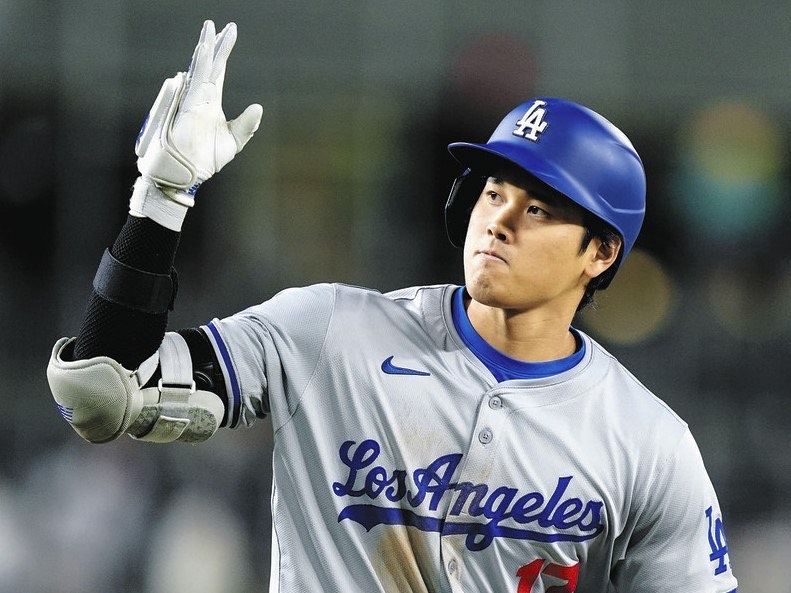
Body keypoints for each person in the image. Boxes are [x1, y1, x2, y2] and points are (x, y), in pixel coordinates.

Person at [48, 20, 738, 593]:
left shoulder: (647, 442)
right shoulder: (330, 332)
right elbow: (103, 392)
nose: (499, 222)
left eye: (538, 209)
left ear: (601, 253)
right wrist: (161, 201)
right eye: (493, 193)